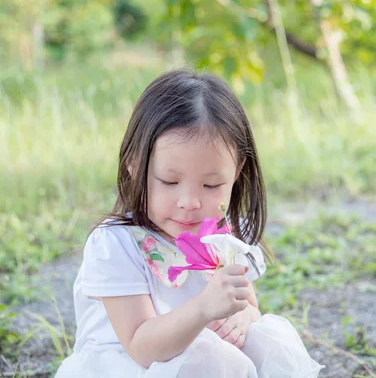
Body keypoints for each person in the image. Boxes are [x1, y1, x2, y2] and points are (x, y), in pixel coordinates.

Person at [54, 70, 324, 377]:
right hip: (133, 367)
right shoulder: (116, 245)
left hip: (202, 361)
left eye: (211, 186)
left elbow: (247, 302)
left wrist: (245, 316)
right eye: (169, 181)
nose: (190, 202)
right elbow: (140, 348)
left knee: (265, 342)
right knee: (208, 358)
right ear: (134, 165)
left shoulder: (227, 234)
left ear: (237, 171)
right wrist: (202, 309)